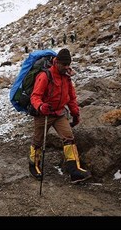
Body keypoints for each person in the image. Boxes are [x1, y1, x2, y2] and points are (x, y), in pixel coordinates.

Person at [29, 48, 91, 183]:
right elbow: (35, 96)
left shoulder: (66, 77)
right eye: (64, 64)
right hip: (43, 114)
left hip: (59, 113)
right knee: (38, 141)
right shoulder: (45, 76)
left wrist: (75, 114)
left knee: (68, 137)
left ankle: (75, 171)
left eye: (68, 64)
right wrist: (40, 106)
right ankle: (33, 166)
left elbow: (71, 98)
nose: (67, 67)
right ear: (56, 62)